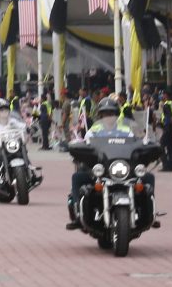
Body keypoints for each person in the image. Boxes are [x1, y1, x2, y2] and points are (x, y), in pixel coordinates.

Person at [66, 98, 156, 229]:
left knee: (148, 178)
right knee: (78, 177)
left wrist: (147, 144)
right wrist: (79, 148)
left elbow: (138, 142)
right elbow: (85, 144)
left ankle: (149, 214)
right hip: (102, 170)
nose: (109, 116)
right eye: (105, 113)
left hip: (123, 168)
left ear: (116, 114)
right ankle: (77, 212)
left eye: (112, 113)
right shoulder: (94, 130)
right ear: (101, 115)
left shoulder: (126, 130)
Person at [159, 89, 172, 171]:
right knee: (170, 147)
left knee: (161, 145)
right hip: (171, 128)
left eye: (163, 94)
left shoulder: (166, 105)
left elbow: (170, 118)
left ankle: (166, 165)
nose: (162, 96)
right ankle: (171, 165)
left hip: (168, 128)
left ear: (166, 95)